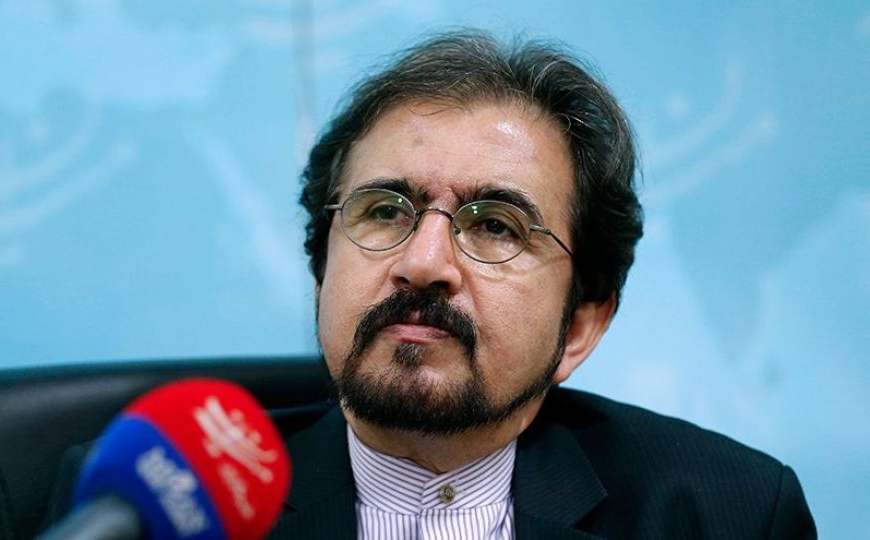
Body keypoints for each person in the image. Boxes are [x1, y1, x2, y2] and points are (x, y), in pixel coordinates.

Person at [47, 29, 816, 539]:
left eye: (496, 226)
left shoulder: (725, 515)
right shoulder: (148, 511)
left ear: (580, 326)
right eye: (385, 210)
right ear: (322, 268)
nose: (423, 262)